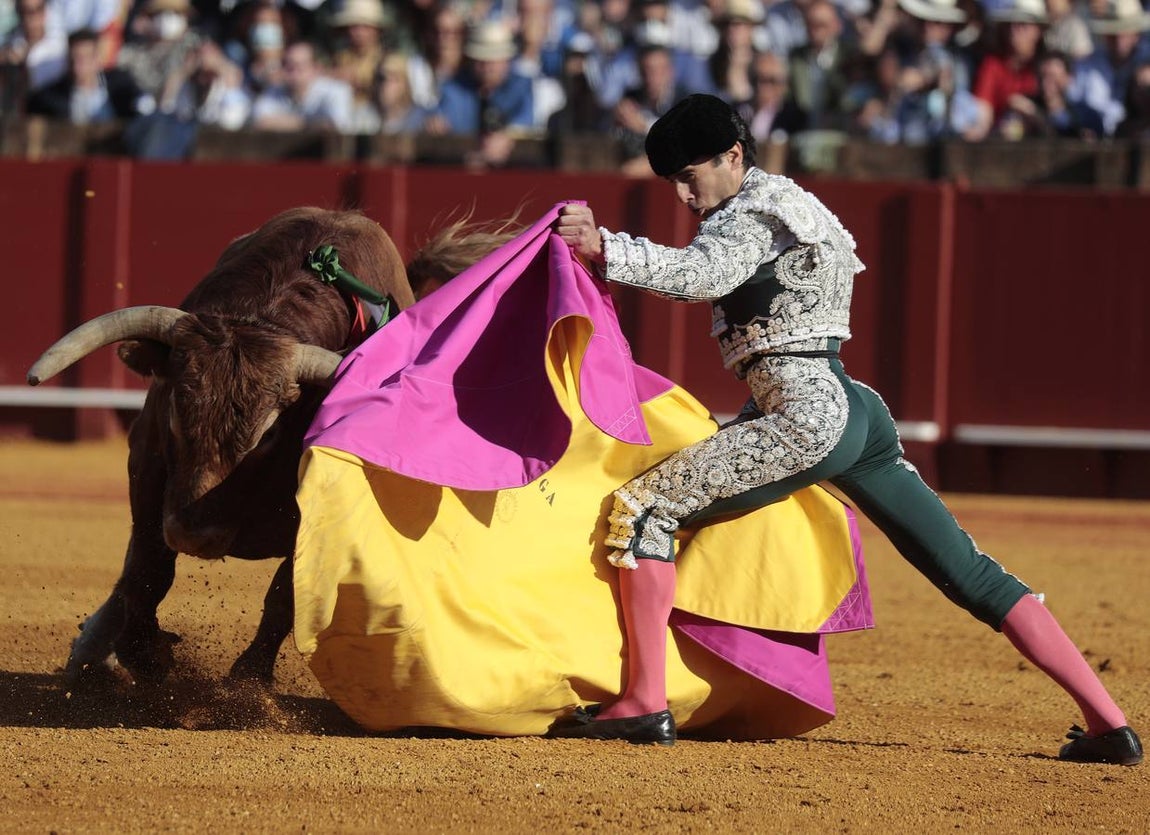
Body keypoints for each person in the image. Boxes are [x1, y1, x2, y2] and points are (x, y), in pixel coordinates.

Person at [549, 93, 1142, 766]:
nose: (685, 193)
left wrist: (606, 247)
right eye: (674, 181)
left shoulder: (747, 214)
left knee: (644, 508)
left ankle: (644, 703)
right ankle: (1108, 722)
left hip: (802, 412)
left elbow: (700, 276)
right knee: (968, 570)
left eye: (693, 174)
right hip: (855, 409)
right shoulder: (794, 202)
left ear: (734, 155)